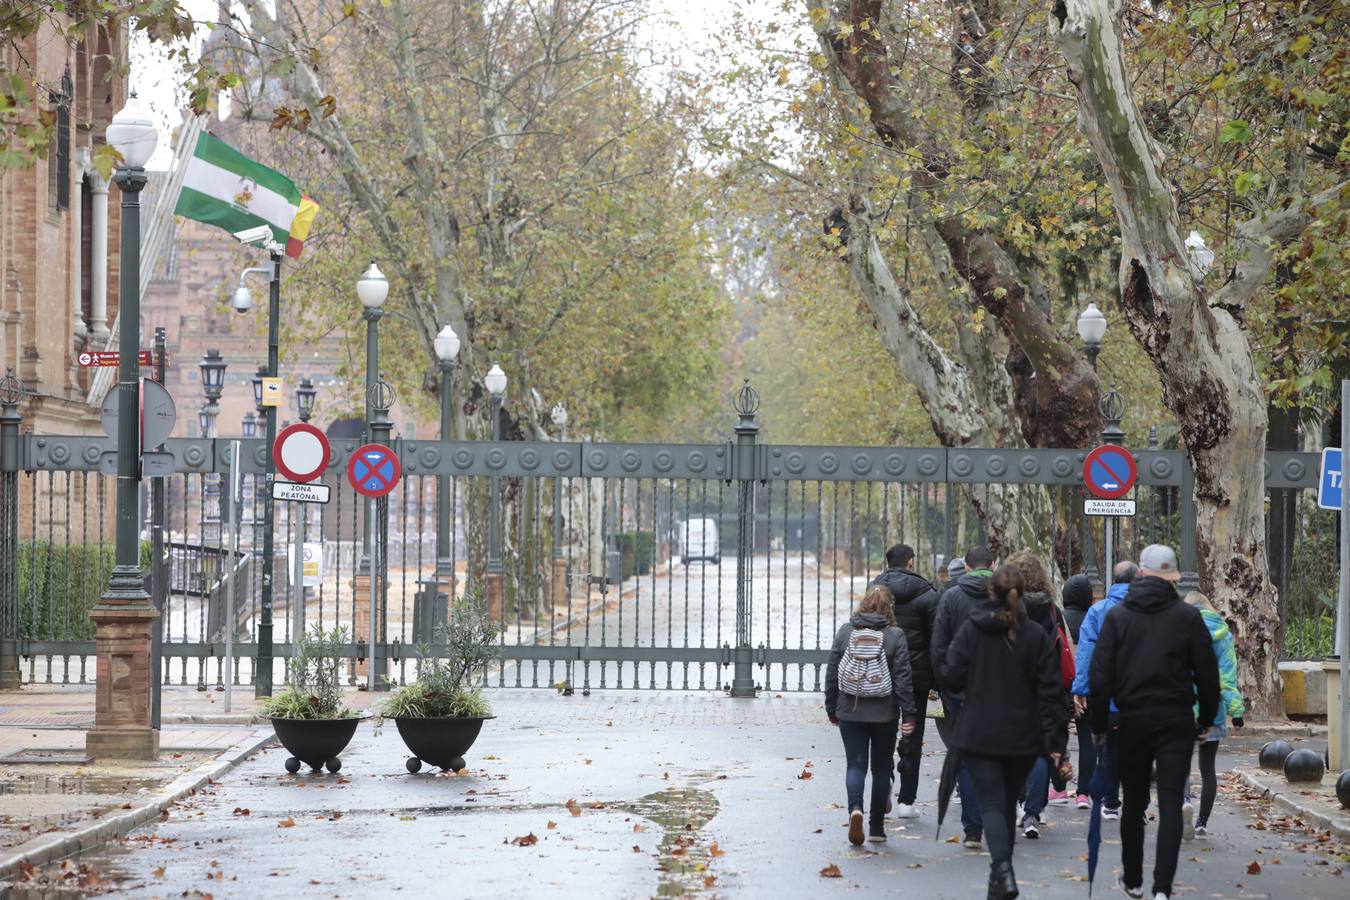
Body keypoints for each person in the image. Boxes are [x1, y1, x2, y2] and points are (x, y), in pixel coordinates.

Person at [1088, 544, 1220, 900]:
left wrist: (1098, 725)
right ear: (1173, 577)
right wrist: (1206, 717)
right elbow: (1208, 674)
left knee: (1133, 800)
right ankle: (1163, 887)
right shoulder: (1187, 617)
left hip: (1131, 720)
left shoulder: (1118, 618)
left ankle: (1133, 880)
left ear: (1141, 573)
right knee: (1171, 799)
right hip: (1176, 720)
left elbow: (1100, 676)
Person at [946, 564, 1061, 900]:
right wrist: (1054, 738)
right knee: (1008, 802)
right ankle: (1000, 879)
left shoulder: (972, 631)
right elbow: (1051, 689)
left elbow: (952, 674)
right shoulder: (1035, 635)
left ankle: (1002, 869)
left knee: (992, 803)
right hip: (1022, 734)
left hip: (980, 731)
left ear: (990, 593)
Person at [825, 586, 918, 846]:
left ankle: (855, 809)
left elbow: (833, 672)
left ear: (863, 604)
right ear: (890, 607)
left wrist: (831, 708)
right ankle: (876, 826)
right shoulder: (895, 636)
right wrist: (908, 714)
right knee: (881, 768)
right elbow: (903, 679)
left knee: (855, 766)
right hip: (884, 714)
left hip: (850, 711)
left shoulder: (846, 632)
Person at [1005, 551, 1074, 839]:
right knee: (1041, 750)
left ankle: (1021, 802)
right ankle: (1034, 810)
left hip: (1009, 686)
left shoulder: (1005, 607)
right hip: (1045, 684)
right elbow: (1063, 648)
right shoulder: (1051, 610)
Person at [931, 545, 994, 848]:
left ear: (967, 567)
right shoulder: (1008, 595)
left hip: (960, 690)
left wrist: (946, 681)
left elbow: (938, 644)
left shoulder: (952, 597)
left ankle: (973, 829)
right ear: (991, 565)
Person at [870, 543, 939, 819]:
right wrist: (937, 679)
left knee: (884, 730)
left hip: (882, 672)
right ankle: (907, 801)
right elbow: (936, 639)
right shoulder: (927, 593)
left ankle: (885, 778)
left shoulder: (875, 589)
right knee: (914, 731)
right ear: (910, 562)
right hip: (917, 675)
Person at [1071, 559, 1137, 818]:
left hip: (1108, 694)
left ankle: (1111, 801)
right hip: (1139, 694)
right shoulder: (1146, 610)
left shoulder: (1098, 612)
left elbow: (1086, 653)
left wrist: (1080, 689)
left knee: (1107, 748)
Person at [1182, 592, 1245, 840]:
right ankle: (1201, 823)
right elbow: (1227, 677)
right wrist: (1236, 710)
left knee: (1181, 766)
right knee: (1208, 768)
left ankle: (1184, 802)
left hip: (1183, 708)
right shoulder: (1223, 635)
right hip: (1213, 709)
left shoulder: (1179, 630)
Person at [1059, 573, 1096, 809]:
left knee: (1058, 739)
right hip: (1087, 686)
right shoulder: (1094, 617)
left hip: (1062, 685)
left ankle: (1059, 788)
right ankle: (1083, 792)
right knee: (1087, 741)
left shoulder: (1059, 618)